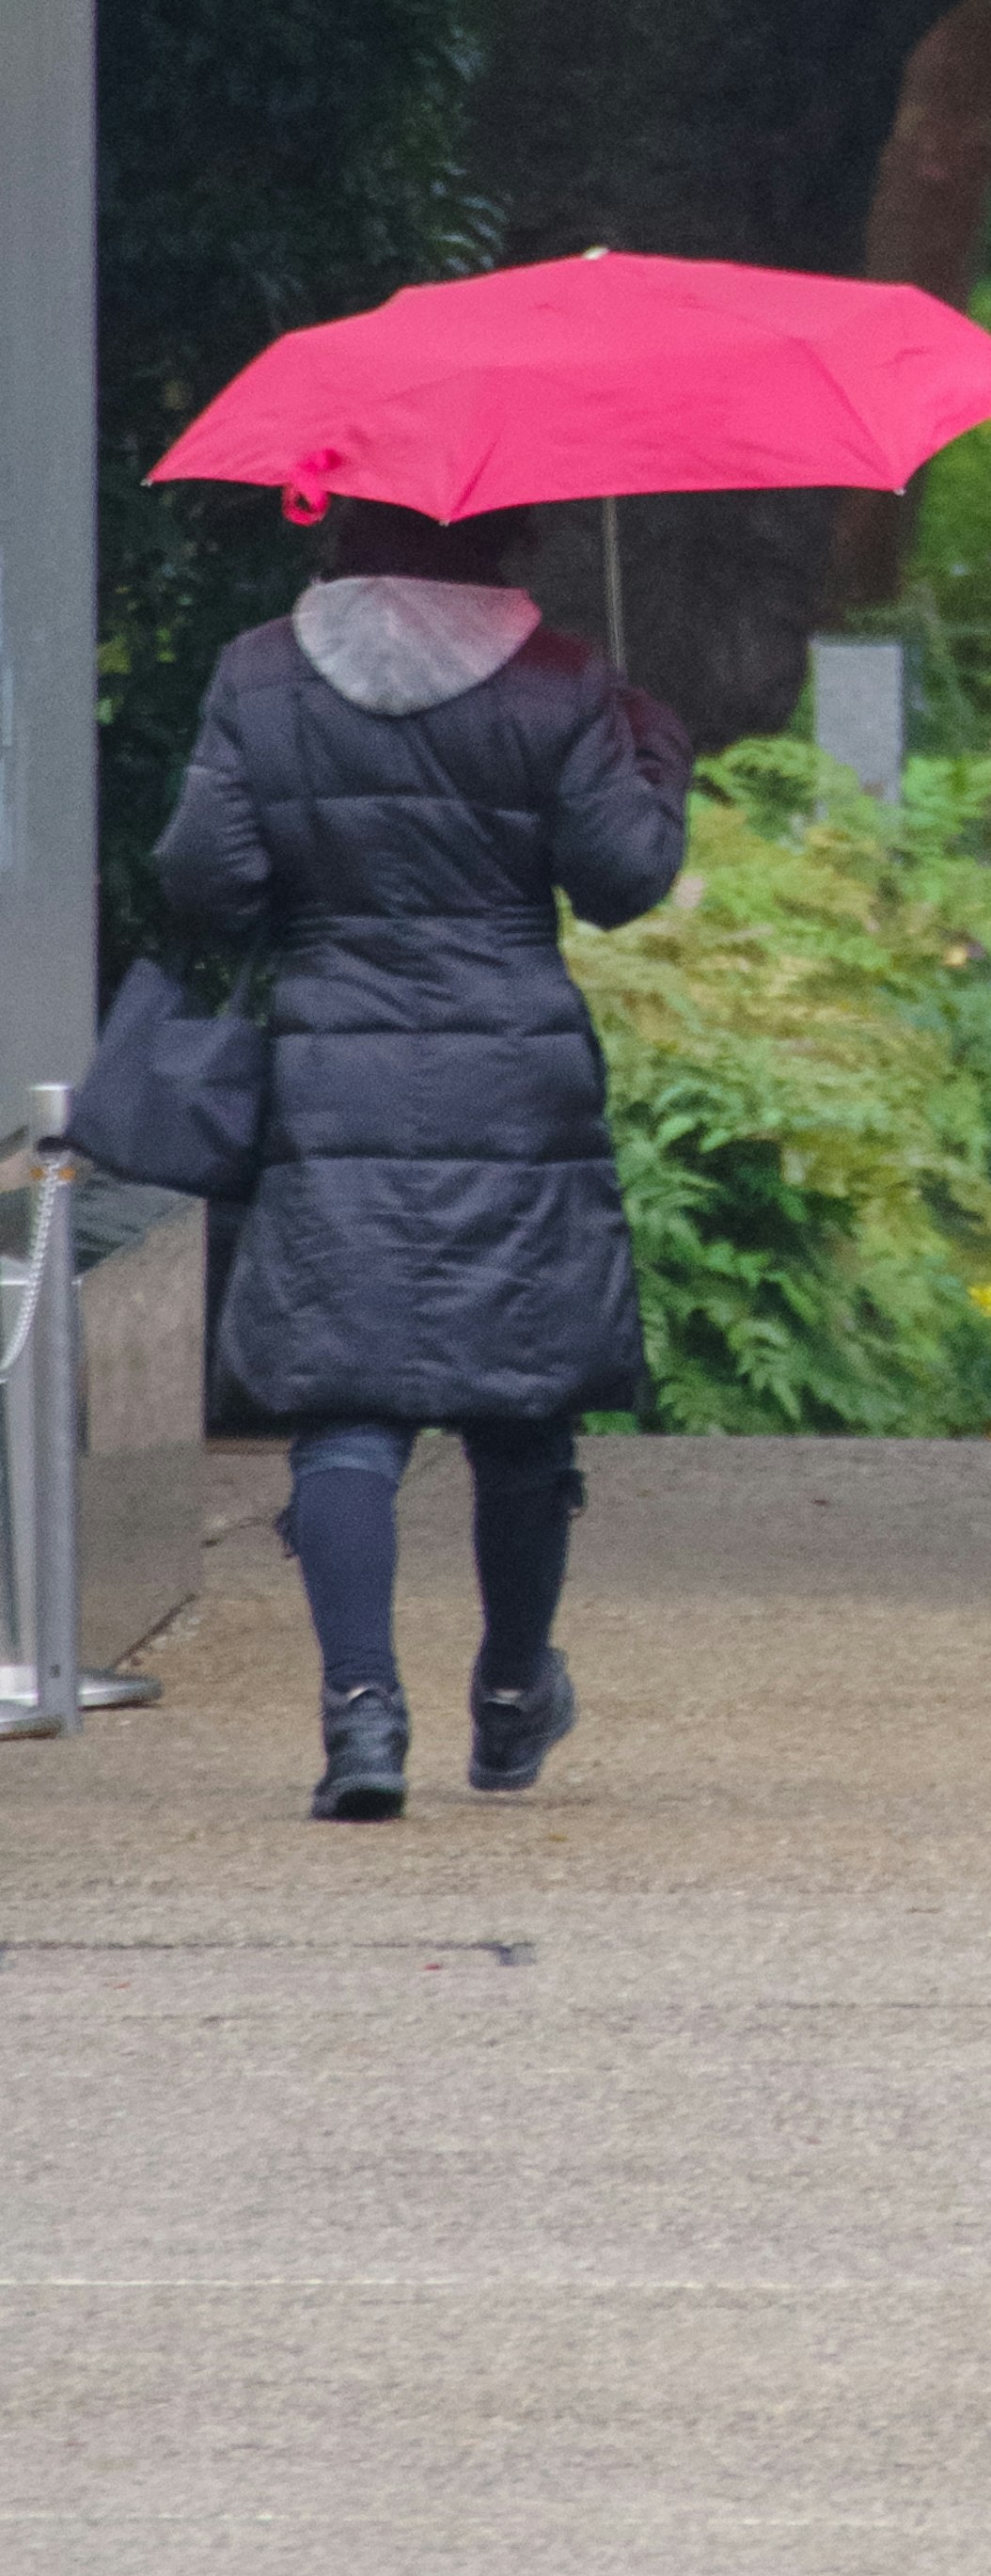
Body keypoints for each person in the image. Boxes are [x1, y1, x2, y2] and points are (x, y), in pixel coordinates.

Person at [155, 493, 693, 1823]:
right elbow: (620, 881)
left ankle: (361, 1718)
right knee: (518, 1399)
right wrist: (654, 754)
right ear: (503, 531)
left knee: (346, 1406)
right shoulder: (564, 678)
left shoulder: (260, 672)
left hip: (332, 1068)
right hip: (514, 1076)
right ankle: (510, 1701)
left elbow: (204, 882)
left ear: (339, 528)